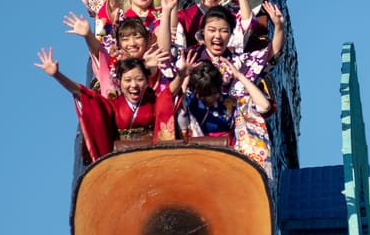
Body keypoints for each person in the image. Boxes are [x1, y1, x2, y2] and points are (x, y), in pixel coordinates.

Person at [34, 47, 190, 162]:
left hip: (151, 157)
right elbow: (83, 94)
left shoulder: (153, 101)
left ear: (146, 80)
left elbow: (169, 93)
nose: (134, 85)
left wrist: (181, 76)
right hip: (120, 159)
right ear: (119, 82)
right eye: (128, 80)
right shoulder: (112, 106)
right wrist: (58, 75)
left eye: (139, 79)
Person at [180, 59, 274, 176]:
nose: (216, 96)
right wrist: (184, 78)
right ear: (199, 94)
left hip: (228, 159)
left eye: (217, 91)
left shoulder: (229, 101)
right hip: (196, 158)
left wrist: (240, 76)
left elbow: (264, 106)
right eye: (211, 94)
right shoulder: (190, 102)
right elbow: (177, 104)